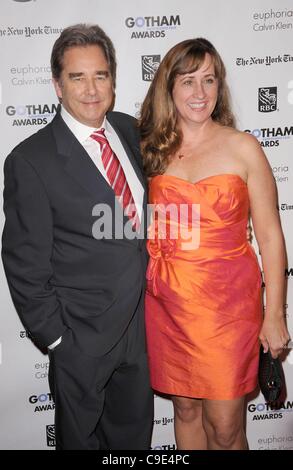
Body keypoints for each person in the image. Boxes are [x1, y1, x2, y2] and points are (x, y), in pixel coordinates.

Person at [2, 24, 153, 450]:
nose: (91, 90)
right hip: (80, 337)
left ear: (113, 80)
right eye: (77, 77)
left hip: (141, 331)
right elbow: (24, 265)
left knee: (132, 444)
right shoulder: (31, 160)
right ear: (56, 84)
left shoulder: (130, 130)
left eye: (100, 75)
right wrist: (58, 341)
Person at [139, 38, 290, 450]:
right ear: (168, 88)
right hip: (167, 304)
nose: (200, 93)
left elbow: (271, 238)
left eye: (209, 80)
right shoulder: (150, 151)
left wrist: (274, 313)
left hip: (227, 309)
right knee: (185, 411)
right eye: (188, 82)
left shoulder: (244, 147)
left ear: (220, 87)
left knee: (225, 427)